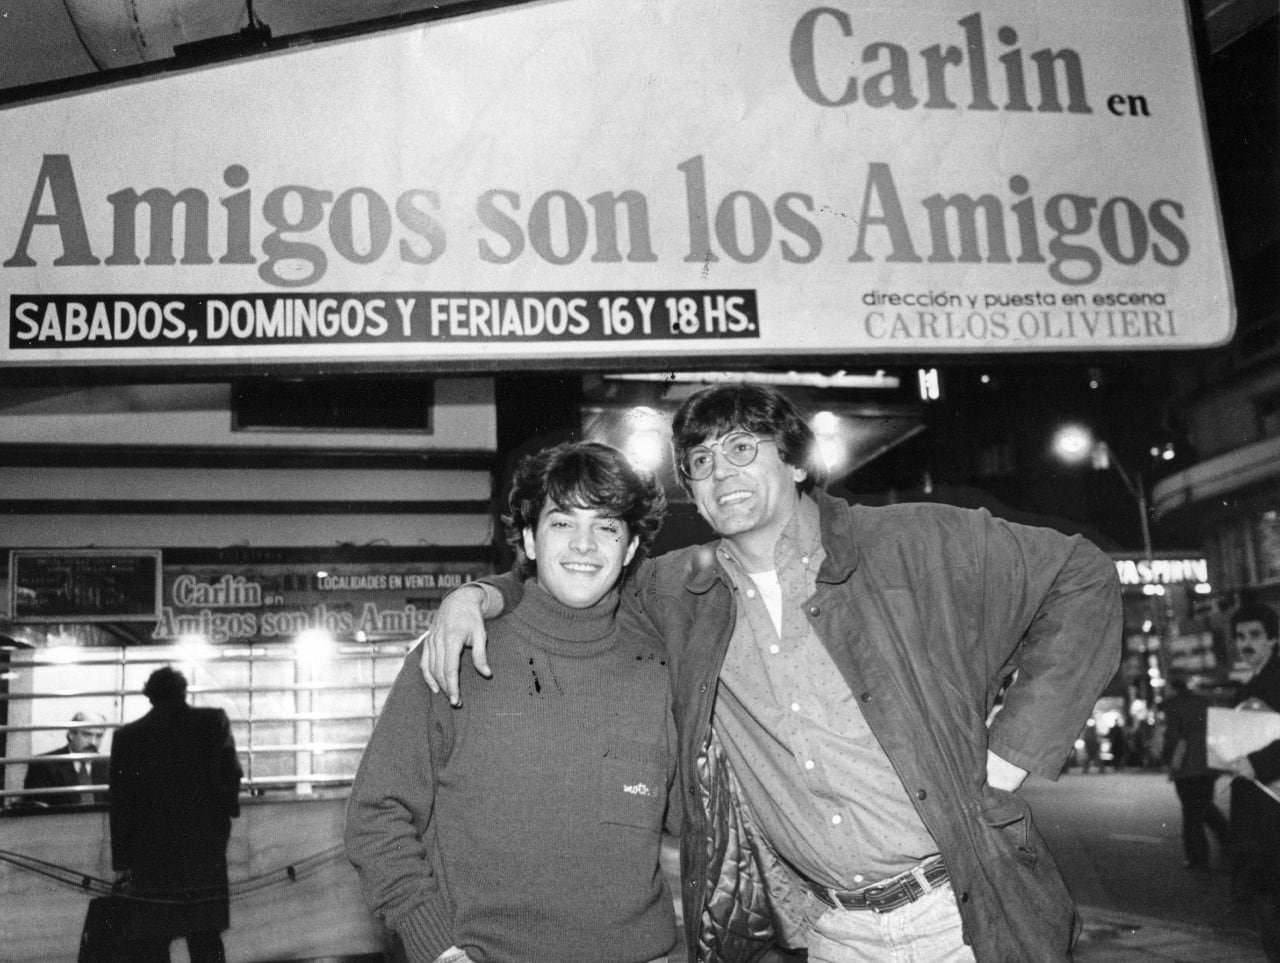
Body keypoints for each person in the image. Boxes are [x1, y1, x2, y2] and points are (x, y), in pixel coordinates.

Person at [424, 382, 1123, 963]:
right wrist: (482, 593)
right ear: (691, 492)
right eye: (700, 461)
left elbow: (1081, 575)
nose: (721, 473)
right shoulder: (681, 593)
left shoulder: (912, 542)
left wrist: (1011, 752)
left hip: (965, 914)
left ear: (793, 463)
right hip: (833, 933)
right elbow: (577, 572)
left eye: (740, 448)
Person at [345, 441, 679, 963]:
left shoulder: (660, 663)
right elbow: (376, 814)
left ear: (631, 547)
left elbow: (692, 814)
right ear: (529, 537)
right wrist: (434, 945)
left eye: (608, 526)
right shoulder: (455, 651)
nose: (584, 545)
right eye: (562, 523)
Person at [109, 666, 242, 963]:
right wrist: (224, 817)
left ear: (149, 696)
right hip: (203, 853)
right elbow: (231, 775)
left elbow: (120, 805)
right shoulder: (212, 722)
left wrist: (122, 862)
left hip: (152, 858)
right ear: (184, 692)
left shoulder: (127, 738)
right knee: (206, 938)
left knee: (153, 942)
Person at [1224, 602, 1280, 961]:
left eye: (1256, 635)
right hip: (1258, 813)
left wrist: (1256, 764)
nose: (1247, 643)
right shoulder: (1248, 686)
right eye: (1241, 636)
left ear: (1274, 638)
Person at [1160, 671, 1228, 870]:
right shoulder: (1203, 702)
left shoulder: (1172, 704)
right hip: (1208, 763)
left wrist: (1166, 757)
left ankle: (1198, 857)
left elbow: (1173, 735)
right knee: (1204, 805)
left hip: (1187, 765)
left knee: (1191, 813)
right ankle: (1227, 839)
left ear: (1171, 685)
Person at [22, 710, 109, 806]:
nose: (93, 742)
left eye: (99, 736)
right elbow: (35, 812)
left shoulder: (108, 765)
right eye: (87, 735)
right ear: (71, 734)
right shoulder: (43, 764)